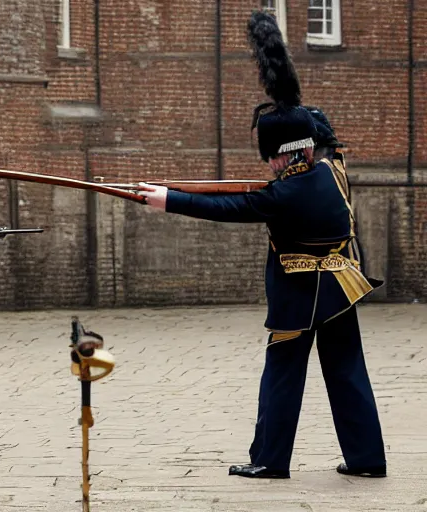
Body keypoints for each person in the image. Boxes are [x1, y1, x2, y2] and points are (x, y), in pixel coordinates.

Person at [137, 12, 386, 479]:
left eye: (272, 159)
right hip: (341, 288)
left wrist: (167, 199)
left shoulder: (283, 194)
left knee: (282, 375)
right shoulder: (333, 171)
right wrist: (291, 110)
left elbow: (228, 209)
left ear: (283, 156)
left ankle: (271, 459)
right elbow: (319, 128)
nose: (269, 167)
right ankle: (368, 459)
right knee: (348, 373)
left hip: (300, 296)